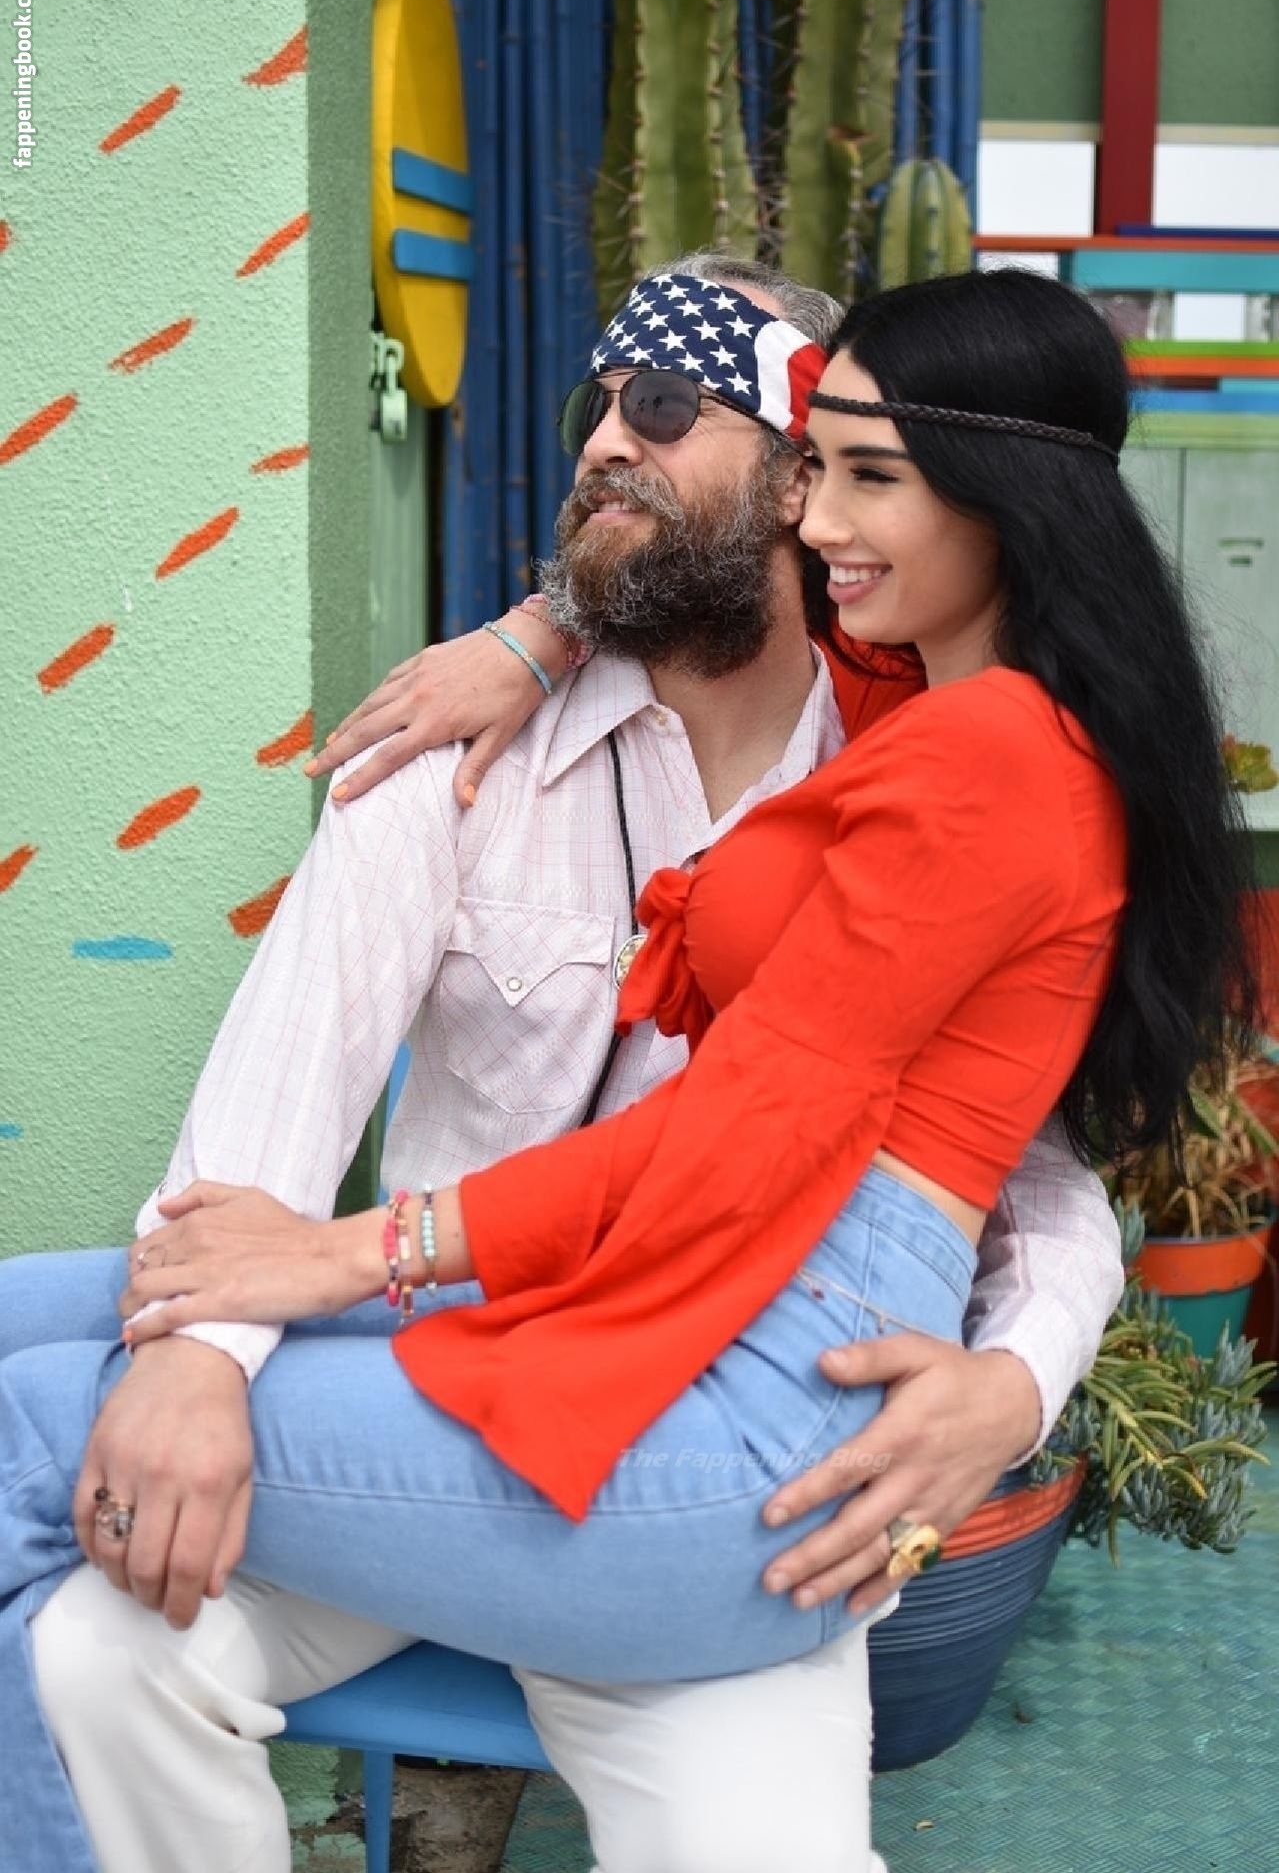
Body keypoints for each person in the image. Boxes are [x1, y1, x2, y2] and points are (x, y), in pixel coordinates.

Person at [1, 262, 1251, 1873]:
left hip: (710, 1424)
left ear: (802, 473)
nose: (606, 439)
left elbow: (1022, 1167)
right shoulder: (451, 759)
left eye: (663, 405)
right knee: (89, 1639)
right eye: (594, 407)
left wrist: (1010, 1388)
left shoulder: (920, 730)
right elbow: (275, 1104)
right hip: (457, 1376)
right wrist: (204, 1355)